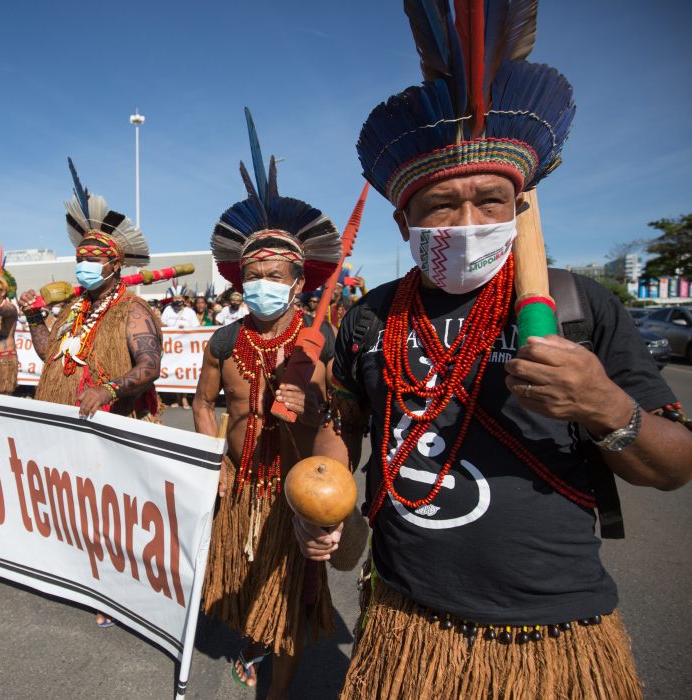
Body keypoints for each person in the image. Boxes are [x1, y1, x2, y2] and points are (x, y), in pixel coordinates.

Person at [295, 5, 692, 699]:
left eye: (490, 201)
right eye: (443, 206)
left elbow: (673, 467)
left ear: (521, 207)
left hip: (551, 632)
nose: (469, 223)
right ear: (404, 220)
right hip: (403, 617)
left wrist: (606, 407)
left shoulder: (577, 306)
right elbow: (345, 422)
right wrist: (324, 489)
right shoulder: (371, 316)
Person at [193, 112, 359, 698]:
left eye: (274, 274)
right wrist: (215, 456)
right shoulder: (224, 339)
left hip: (296, 487)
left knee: (293, 593)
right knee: (242, 578)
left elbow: (347, 419)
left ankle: (280, 687)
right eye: (252, 273)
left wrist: (313, 411)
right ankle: (253, 638)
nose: (260, 282)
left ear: (297, 282)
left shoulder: (323, 342)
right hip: (240, 485)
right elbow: (203, 403)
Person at [18, 158, 162, 627]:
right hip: (65, 424)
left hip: (110, 427)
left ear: (115, 264)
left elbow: (150, 367)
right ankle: (80, 574)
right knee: (74, 506)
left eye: (92, 260)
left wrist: (109, 388)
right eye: (79, 260)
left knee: (112, 512)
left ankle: (118, 589)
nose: (83, 267)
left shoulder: (133, 310)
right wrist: (37, 318)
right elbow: (49, 358)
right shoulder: (74, 309)